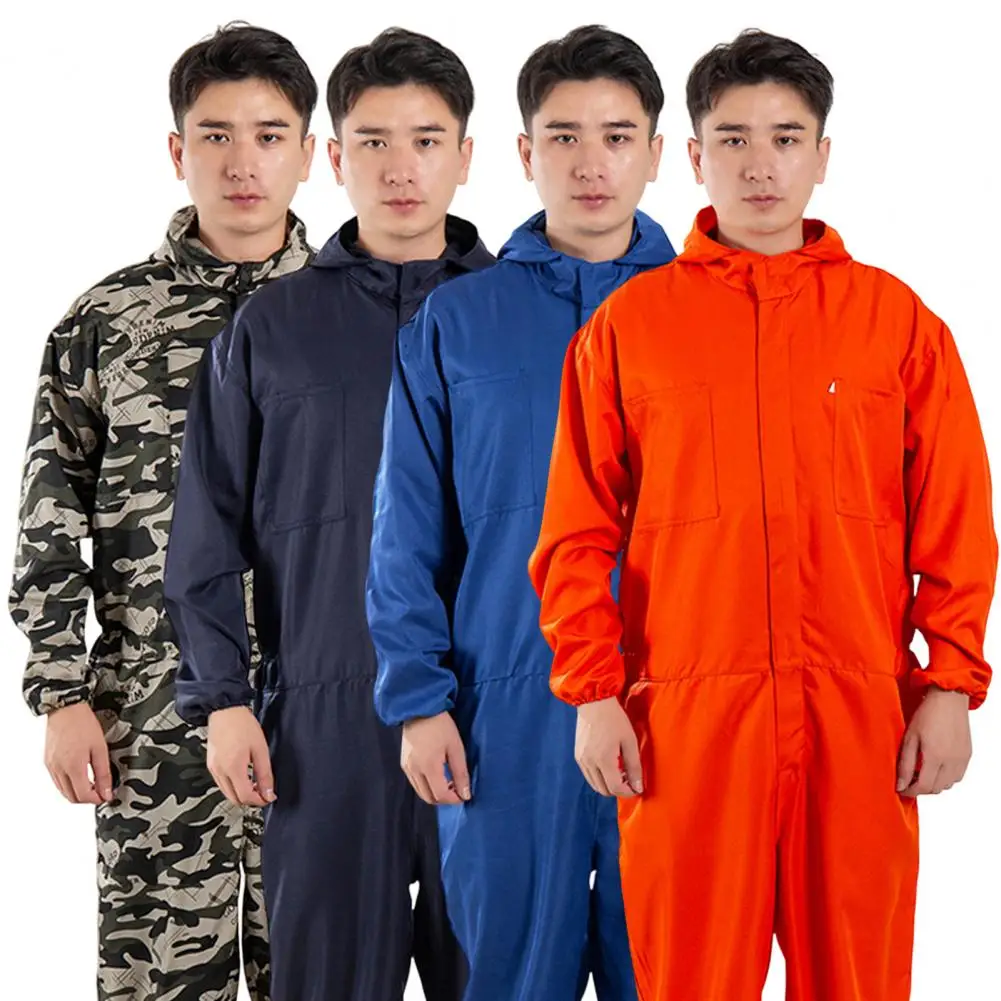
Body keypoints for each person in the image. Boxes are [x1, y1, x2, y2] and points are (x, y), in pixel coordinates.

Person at [528, 28, 997, 1001]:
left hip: (857, 716)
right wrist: (592, 693)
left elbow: (953, 516)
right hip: (685, 722)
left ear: (821, 156)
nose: (759, 164)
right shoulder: (629, 328)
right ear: (694, 158)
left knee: (859, 980)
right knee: (689, 979)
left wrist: (948, 681)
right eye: (732, 139)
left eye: (784, 139)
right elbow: (576, 529)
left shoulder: (895, 323)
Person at [162, 27, 494, 1001]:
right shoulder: (271, 327)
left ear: (466, 156)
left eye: (426, 141)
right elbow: (206, 529)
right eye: (374, 142)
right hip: (320, 721)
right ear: (336, 159)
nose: (400, 168)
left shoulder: (518, 319)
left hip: (495, 717)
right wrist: (223, 698)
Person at [365, 25, 674, 1001]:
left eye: (616, 137)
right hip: (503, 713)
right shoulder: (456, 322)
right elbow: (406, 530)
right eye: (562, 136)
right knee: (504, 975)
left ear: (656, 152)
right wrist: (418, 700)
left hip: (678, 712)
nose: (590, 163)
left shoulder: (703, 315)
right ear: (522, 152)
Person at [8, 22, 316, 1001]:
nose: (242, 161)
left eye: (269, 134)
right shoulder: (106, 322)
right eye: (215, 134)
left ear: (309, 152)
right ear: (178, 150)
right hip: (151, 710)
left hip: (322, 706)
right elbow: (49, 511)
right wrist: (61, 693)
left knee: (321, 972)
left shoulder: (353, 315)